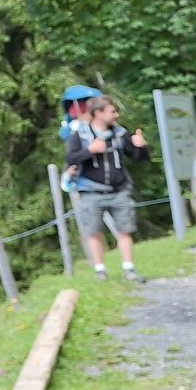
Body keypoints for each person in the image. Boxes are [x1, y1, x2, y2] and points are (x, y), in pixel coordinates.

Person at [63, 96, 150, 283]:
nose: (116, 115)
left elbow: (137, 158)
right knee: (93, 232)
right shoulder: (81, 135)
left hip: (119, 190)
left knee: (125, 230)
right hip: (91, 192)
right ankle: (100, 271)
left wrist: (142, 147)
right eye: (112, 111)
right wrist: (90, 151)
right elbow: (70, 159)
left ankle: (129, 269)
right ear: (98, 113)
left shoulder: (119, 133)